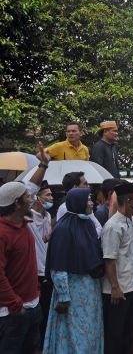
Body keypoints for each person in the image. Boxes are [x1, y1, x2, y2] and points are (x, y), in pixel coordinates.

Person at [43, 188, 104, 353]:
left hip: (90, 292)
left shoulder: (88, 224)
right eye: (88, 200)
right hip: (72, 293)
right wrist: (64, 296)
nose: (92, 203)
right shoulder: (63, 229)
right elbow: (58, 266)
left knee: (91, 333)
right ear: (79, 203)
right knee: (74, 334)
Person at [0, 144, 48, 354]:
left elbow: (31, 187)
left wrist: (43, 165)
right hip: (12, 313)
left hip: (32, 304)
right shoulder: (2, 232)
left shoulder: (23, 221)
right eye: (27, 198)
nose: (32, 198)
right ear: (17, 203)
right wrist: (14, 303)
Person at [101, 181, 133, 354]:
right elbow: (109, 260)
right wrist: (115, 287)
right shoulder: (112, 226)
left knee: (129, 333)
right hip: (118, 290)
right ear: (128, 201)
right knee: (115, 335)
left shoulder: (132, 220)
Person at [27, 182, 54, 349]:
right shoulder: (28, 216)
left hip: (47, 268)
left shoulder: (48, 216)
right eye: (47, 195)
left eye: (51, 195)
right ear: (37, 197)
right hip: (35, 269)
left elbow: (46, 239)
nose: (51, 198)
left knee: (45, 309)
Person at [56, 171, 103, 237]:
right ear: (75, 188)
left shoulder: (86, 205)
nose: (88, 186)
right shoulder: (65, 208)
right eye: (85, 184)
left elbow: (98, 228)